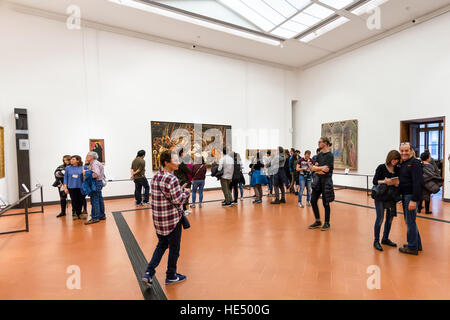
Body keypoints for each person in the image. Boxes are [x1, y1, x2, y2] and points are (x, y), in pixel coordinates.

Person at [141, 150, 190, 288]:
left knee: (161, 245)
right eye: (175, 160)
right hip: (172, 220)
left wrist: (178, 190)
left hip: (158, 220)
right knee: (174, 249)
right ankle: (171, 275)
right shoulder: (172, 179)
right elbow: (179, 200)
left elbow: (165, 196)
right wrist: (186, 193)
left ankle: (148, 273)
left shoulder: (155, 177)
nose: (178, 162)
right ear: (166, 162)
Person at [372, 150, 401, 251]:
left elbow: (398, 180)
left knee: (390, 219)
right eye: (394, 159)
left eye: (397, 160)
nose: (395, 161)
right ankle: (376, 240)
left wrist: (397, 183)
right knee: (380, 218)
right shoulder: (381, 167)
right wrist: (385, 181)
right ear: (390, 158)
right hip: (381, 196)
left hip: (391, 196)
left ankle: (385, 238)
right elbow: (375, 181)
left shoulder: (397, 168)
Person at [398, 142, 423, 255]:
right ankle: (417, 244)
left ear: (411, 150)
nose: (404, 153)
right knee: (411, 221)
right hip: (405, 197)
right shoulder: (404, 163)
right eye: (402, 151)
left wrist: (414, 200)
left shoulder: (415, 163)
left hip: (410, 197)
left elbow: (418, 183)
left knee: (410, 222)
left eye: (406, 150)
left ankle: (412, 247)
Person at [308, 137, 335, 231]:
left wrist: (317, 169)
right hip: (318, 181)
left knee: (325, 203)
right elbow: (312, 168)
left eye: (320, 142)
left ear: (325, 143)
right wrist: (319, 169)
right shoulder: (319, 155)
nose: (318, 143)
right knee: (313, 200)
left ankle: (327, 223)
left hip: (326, 182)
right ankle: (318, 221)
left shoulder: (330, 156)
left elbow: (327, 170)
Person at [83, 151, 106, 225]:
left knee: (94, 200)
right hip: (99, 182)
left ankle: (95, 217)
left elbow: (96, 173)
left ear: (91, 157)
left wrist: (86, 174)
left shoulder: (94, 163)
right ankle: (101, 215)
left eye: (87, 156)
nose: (86, 157)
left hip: (95, 183)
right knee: (99, 199)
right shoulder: (96, 163)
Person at [63, 155, 85, 221]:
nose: (71, 160)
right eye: (71, 159)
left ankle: (79, 213)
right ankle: (75, 213)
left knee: (81, 200)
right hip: (71, 187)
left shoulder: (82, 168)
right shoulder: (68, 168)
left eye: (73, 159)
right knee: (74, 200)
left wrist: (84, 175)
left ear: (77, 160)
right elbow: (65, 178)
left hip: (80, 187)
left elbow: (84, 179)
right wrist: (65, 187)